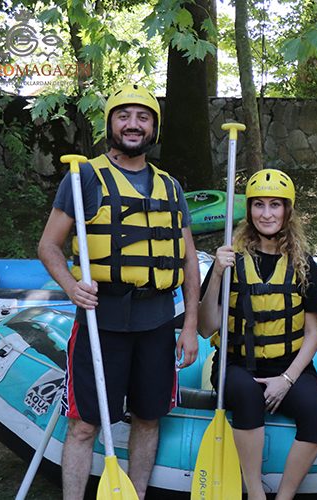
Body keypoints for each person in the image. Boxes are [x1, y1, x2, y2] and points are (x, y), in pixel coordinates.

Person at [37, 84, 200, 500]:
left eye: (143, 117)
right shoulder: (83, 177)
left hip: (157, 322)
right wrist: (72, 287)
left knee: (148, 418)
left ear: (153, 128)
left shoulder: (170, 187)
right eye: (123, 116)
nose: (133, 124)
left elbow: (188, 262)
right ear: (110, 124)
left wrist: (190, 325)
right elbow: (49, 245)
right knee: (84, 425)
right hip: (101, 320)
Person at [198, 168, 317, 500]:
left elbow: (313, 333)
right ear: (249, 210)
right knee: (247, 394)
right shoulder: (230, 260)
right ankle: (255, 493)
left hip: (288, 365)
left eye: (275, 205)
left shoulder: (303, 264)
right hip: (236, 364)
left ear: (287, 211)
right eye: (259, 205)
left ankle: (284, 496)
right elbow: (206, 327)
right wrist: (216, 274)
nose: (266, 213)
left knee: (316, 413)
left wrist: (287, 379)